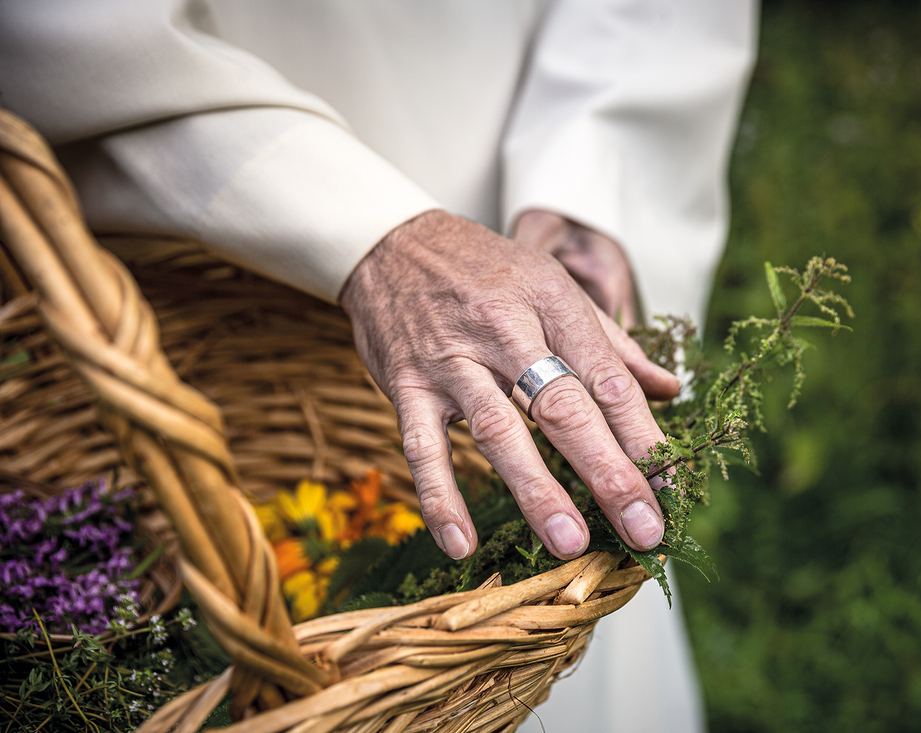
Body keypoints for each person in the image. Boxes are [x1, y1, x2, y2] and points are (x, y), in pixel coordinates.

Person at [0, 1, 757, 730]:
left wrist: (586, 190)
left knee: (548, 608)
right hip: (201, 223)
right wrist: (367, 229)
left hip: (515, 206)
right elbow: (63, 31)